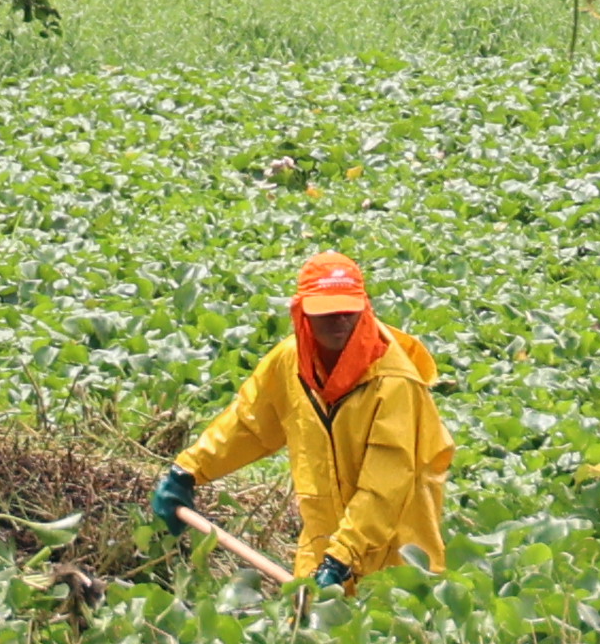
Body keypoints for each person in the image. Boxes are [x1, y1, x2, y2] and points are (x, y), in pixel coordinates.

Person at [151, 252, 452, 597]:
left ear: (364, 308)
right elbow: (248, 424)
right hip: (322, 549)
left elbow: (385, 487)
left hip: (396, 561)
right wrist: (187, 472)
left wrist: (342, 559)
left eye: (348, 310)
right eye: (326, 312)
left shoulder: (396, 384)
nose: (339, 320)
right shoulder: (290, 361)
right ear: (302, 312)